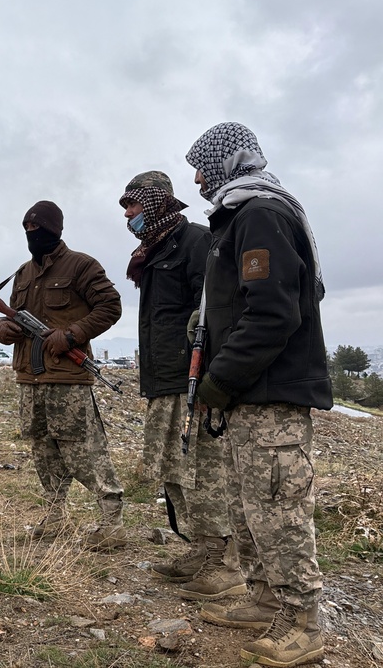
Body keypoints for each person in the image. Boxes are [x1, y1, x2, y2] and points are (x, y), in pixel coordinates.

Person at [185, 122, 331, 667]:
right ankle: (265, 598)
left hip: (271, 392)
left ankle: (304, 621)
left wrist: (222, 378)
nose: (196, 179)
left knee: (277, 505)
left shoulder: (261, 215)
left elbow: (272, 313)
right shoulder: (236, 219)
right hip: (249, 392)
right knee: (249, 505)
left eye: (201, 166)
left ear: (228, 162)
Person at [119, 171, 243, 600]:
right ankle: (199, 548)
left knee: (203, 473)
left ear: (155, 202)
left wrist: (211, 379)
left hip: (190, 382)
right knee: (173, 469)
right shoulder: (151, 251)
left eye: (133, 205)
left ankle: (224, 564)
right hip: (163, 381)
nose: (128, 214)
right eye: (125, 208)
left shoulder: (194, 241)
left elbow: (212, 313)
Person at [0, 201, 126, 550]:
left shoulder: (81, 266)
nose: (32, 237)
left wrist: (72, 334)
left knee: (83, 449)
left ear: (55, 231)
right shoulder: (22, 273)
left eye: (39, 230)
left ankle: (112, 520)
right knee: (42, 449)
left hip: (67, 377)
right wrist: (0, 327)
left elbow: (111, 306)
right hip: (29, 377)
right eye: (27, 231)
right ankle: (55, 516)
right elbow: (9, 315)